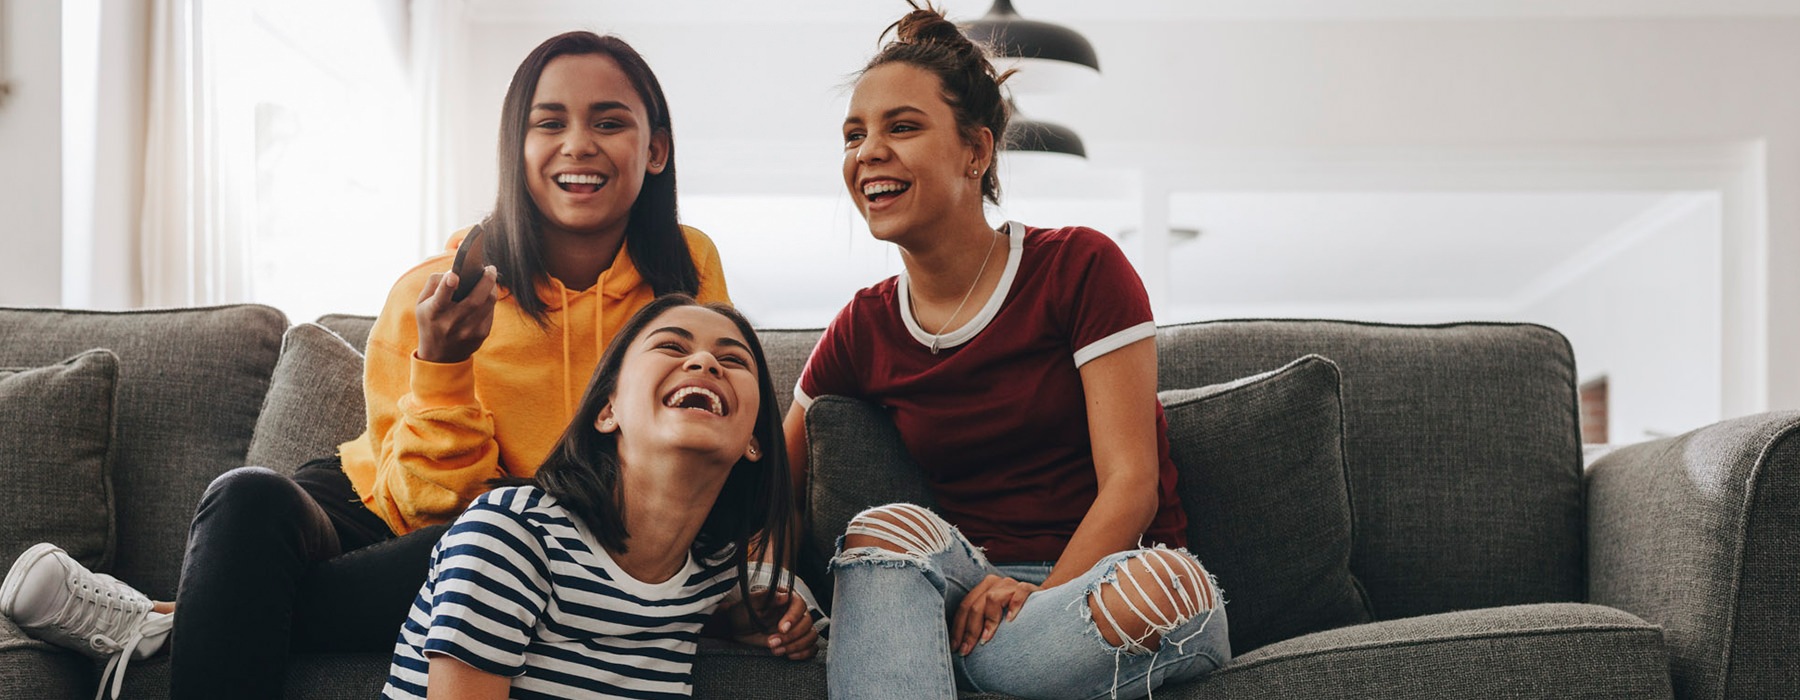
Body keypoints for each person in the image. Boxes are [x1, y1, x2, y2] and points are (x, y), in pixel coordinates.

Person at [0, 31, 732, 700]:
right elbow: (422, 500)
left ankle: (167, 617)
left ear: (656, 150)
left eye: (609, 122)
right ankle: (195, 609)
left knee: (489, 546)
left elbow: (704, 453)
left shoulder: (687, 271)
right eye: (549, 123)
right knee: (246, 497)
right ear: (515, 149)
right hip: (392, 502)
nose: (579, 144)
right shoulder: (431, 289)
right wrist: (442, 365)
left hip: (514, 534)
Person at [785, 4, 1231, 699]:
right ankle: (947, 659)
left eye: (902, 126)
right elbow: (770, 484)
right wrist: (766, 589)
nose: (868, 150)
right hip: (970, 588)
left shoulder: (1079, 266)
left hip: (1101, 590)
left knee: (1172, 589)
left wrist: (1035, 601)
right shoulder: (864, 325)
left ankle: (949, 666)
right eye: (854, 134)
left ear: (976, 151)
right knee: (880, 530)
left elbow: (1132, 486)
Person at [384, 294, 816, 699]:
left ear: (754, 441)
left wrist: (747, 618)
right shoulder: (511, 536)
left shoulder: (716, 575)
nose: (705, 362)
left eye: (732, 359)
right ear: (608, 412)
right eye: (670, 346)